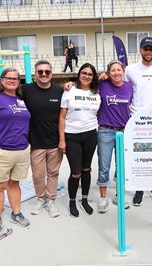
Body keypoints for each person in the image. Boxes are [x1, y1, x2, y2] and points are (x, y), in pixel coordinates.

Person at [0, 67, 31, 238]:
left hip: (21, 150)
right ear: (2, 80)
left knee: (14, 184)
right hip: (0, 150)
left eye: (15, 78)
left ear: (19, 82)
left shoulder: (21, 99)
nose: (12, 81)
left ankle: (16, 213)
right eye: (8, 78)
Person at [125, 36, 152, 207]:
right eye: (145, 49)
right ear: (140, 50)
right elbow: (120, 85)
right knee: (140, 155)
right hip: (136, 120)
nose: (148, 52)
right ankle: (139, 189)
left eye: (151, 49)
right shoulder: (130, 69)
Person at [23, 60, 64, 218]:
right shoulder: (26, 90)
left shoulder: (59, 91)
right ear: (35, 74)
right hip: (36, 142)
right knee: (38, 175)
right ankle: (41, 198)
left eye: (47, 71)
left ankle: (51, 200)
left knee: (53, 173)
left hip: (55, 141)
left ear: (51, 74)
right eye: (40, 72)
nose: (44, 74)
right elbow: (8, 94)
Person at [59, 63, 101, 217]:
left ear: (93, 77)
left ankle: (84, 200)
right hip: (72, 136)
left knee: (86, 169)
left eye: (90, 74)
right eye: (84, 73)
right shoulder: (69, 91)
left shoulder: (96, 93)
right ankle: (72, 201)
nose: (87, 76)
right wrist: (62, 140)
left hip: (90, 135)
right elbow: (62, 117)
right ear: (79, 74)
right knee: (76, 172)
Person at [97, 60, 133, 213]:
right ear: (108, 72)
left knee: (121, 166)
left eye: (119, 70)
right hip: (105, 131)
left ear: (123, 71)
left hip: (123, 131)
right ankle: (103, 198)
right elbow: (85, 86)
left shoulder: (129, 87)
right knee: (104, 166)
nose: (116, 73)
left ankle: (119, 196)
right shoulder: (102, 85)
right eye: (113, 70)